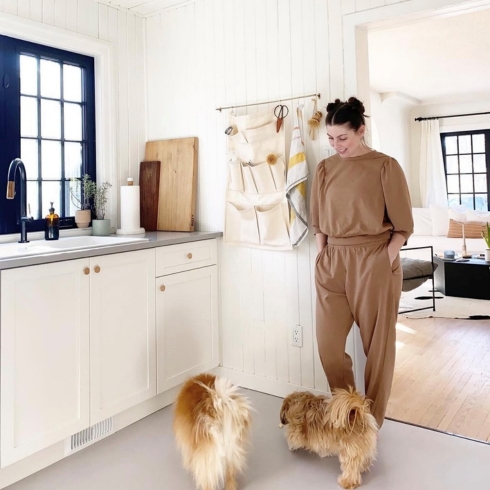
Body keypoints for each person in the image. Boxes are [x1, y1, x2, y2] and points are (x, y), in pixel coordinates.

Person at [310, 96, 414, 428]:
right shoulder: (325, 168)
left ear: (361, 131)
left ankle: (372, 425)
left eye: (343, 137)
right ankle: (350, 413)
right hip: (333, 260)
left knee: (379, 349)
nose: (336, 145)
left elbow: (403, 225)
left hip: (374, 258)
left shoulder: (385, 166)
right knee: (328, 347)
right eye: (330, 138)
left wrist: (385, 258)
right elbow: (317, 220)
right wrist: (323, 252)